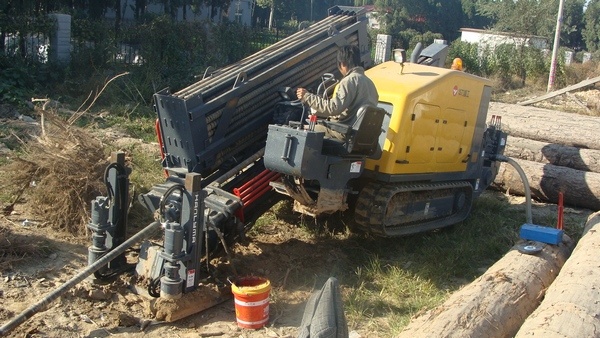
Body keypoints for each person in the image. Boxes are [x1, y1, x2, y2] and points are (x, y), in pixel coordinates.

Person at [296, 44, 379, 140]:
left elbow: (333, 108)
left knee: (304, 129)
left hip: (345, 133)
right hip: (360, 136)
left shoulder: (349, 81)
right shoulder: (370, 84)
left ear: (342, 64)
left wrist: (307, 96)